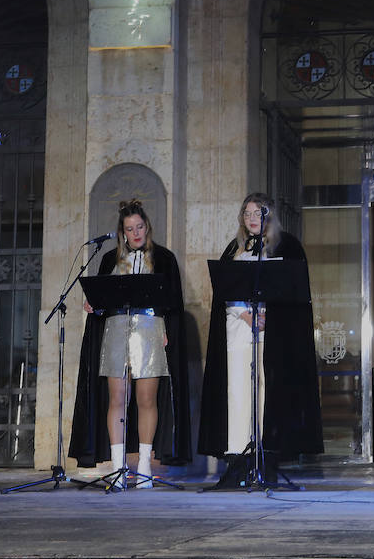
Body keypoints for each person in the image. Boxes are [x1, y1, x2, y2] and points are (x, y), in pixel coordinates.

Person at [69, 200, 191, 487]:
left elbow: (172, 302)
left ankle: (146, 466)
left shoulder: (164, 258)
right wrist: (94, 305)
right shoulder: (110, 260)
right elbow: (103, 297)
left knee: (146, 399)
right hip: (116, 329)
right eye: (129, 229)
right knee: (117, 399)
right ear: (122, 232)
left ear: (147, 226)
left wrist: (166, 329)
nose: (135, 233)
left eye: (139, 227)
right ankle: (118, 466)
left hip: (149, 329)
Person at [198, 193, 322, 466]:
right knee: (238, 390)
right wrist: (244, 315)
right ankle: (237, 453)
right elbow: (223, 293)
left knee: (267, 392)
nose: (252, 218)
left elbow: (294, 293)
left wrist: (272, 316)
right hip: (239, 331)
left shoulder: (286, 246)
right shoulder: (235, 250)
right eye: (247, 213)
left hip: (272, 333)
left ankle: (267, 452)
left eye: (259, 212)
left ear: (270, 216)